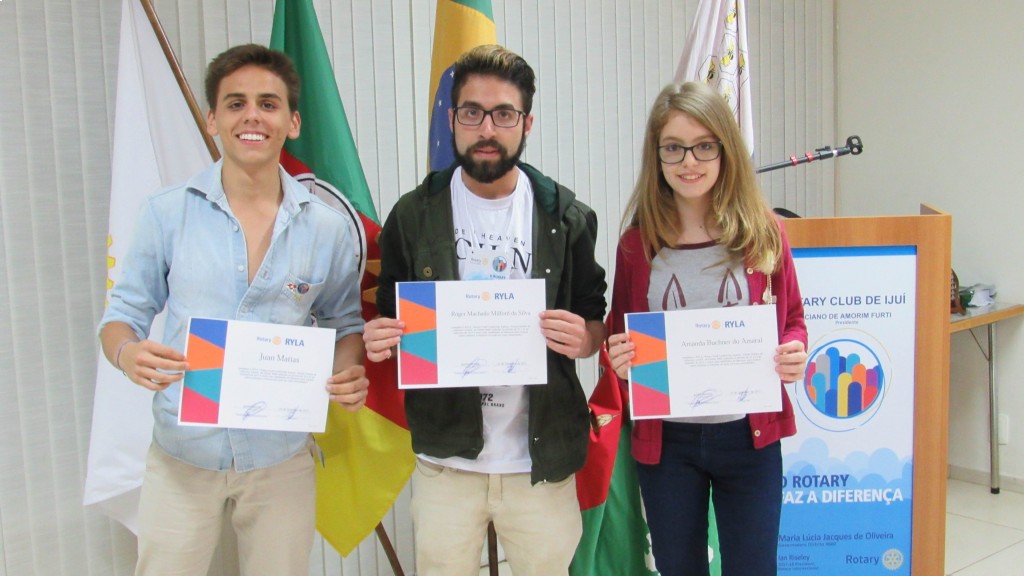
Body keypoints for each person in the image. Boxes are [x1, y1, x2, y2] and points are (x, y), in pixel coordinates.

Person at [98, 44, 368, 575]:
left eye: (268, 104)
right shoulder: (167, 212)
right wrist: (127, 354)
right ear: (212, 119)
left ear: (292, 122)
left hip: (281, 456)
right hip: (182, 454)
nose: (252, 116)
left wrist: (347, 371)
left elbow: (344, 325)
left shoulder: (327, 228)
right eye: (236, 103)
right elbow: (120, 316)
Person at [363, 44, 607, 576]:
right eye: (472, 113)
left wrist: (584, 338)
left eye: (504, 114)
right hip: (446, 460)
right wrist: (381, 338)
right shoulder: (413, 216)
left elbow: (595, 320)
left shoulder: (566, 217)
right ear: (453, 120)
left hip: (539, 461)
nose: (487, 129)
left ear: (527, 123)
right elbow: (387, 317)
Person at [606, 81, 808, 576]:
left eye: (703, 146)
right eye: (673, 148)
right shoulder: (637, 245)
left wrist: (793, 350)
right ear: (656, 155)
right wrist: (620, 359)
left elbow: (793, 321)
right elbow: (617, 335)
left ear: (725, 150)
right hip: (667, 442)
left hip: (749, 437)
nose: (688, 161)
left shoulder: (763, 231)